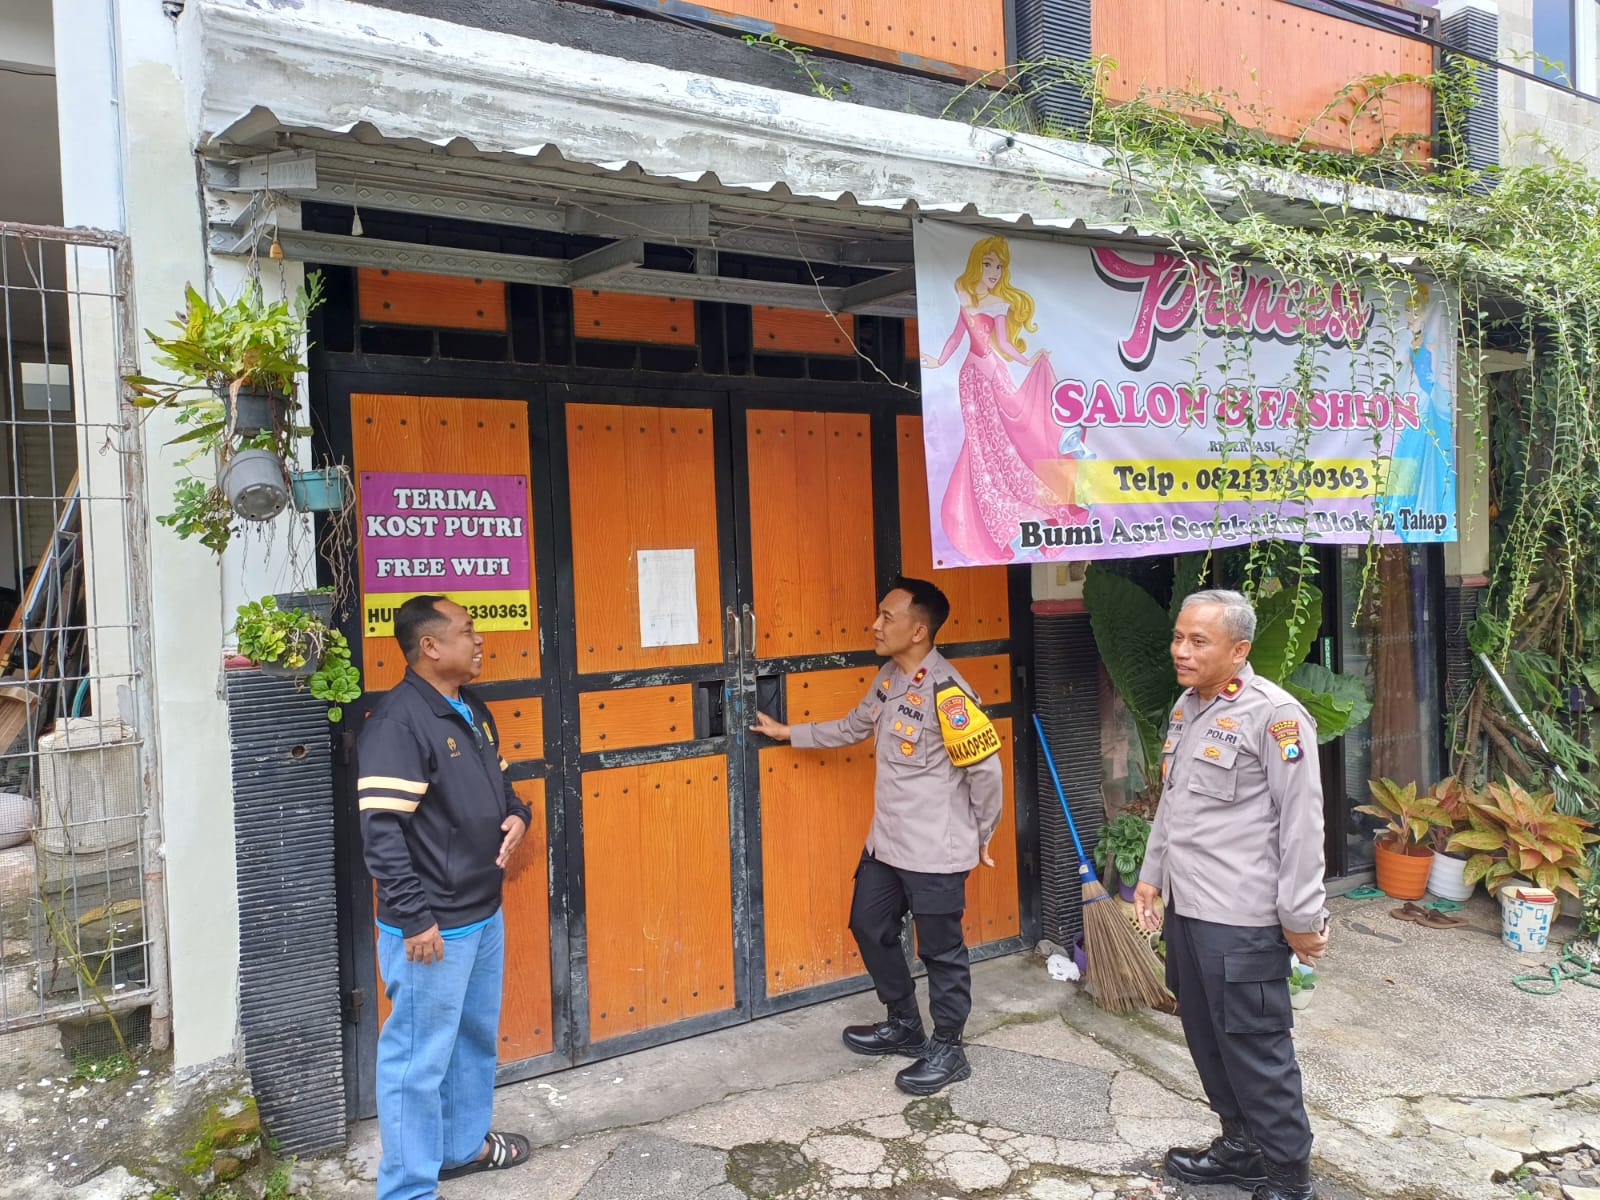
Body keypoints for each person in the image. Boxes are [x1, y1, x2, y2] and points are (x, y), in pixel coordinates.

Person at [751, 576, 1005, 1095]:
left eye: (887, 617)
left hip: (935, 850)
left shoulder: (949, 694)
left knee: (941, 952)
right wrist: (787, 732)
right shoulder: (890, 677)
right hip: (887, 843)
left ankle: (949, 1049)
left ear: (918, 630)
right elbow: (854, 726)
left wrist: (983, 834)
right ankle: (905, 1024)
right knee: (867, 925)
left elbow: (987, 773)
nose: (875, 624)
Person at [1133, 589, 1329, 1200]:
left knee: (1255, 1048)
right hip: (1190, 910)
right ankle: (1242, 1146)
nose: (1181, 651)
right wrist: (1151, 875)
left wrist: (1301, 917)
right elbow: (1174, 804)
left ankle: (1289, 1177)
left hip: (1243, 919)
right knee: (1206, 1036)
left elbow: (1302, 824)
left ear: (1239, 650)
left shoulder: (1276, 717)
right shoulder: (1187, 708)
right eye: (1178, 638)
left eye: (1199, 641)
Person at [358, 595, 533, 1199]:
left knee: (471, 1040)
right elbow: (382, 833)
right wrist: (414, 919)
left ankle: (461, 1148)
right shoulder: (398, 722)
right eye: (467, 629)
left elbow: (500, 783)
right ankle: (407, 1189)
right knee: (416, 1060)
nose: (479, 639)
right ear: (430, 646)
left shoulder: (470, 707)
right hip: (431, 927)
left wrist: (519, 815)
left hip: (482, 912)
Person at [920, 234, 1089, 564]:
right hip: (969, 376)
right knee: (979, 443)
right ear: (977, 264)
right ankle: (989, 507)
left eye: (998, 267)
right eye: (988, 264)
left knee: (1005, 435)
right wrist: (938, 361)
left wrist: (1029, 360)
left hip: (992, 374)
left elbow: (1004, 343)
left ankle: (1030, 499)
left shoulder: (998, 303)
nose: (994, 272)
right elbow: (956, 335)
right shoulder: (964, 295)